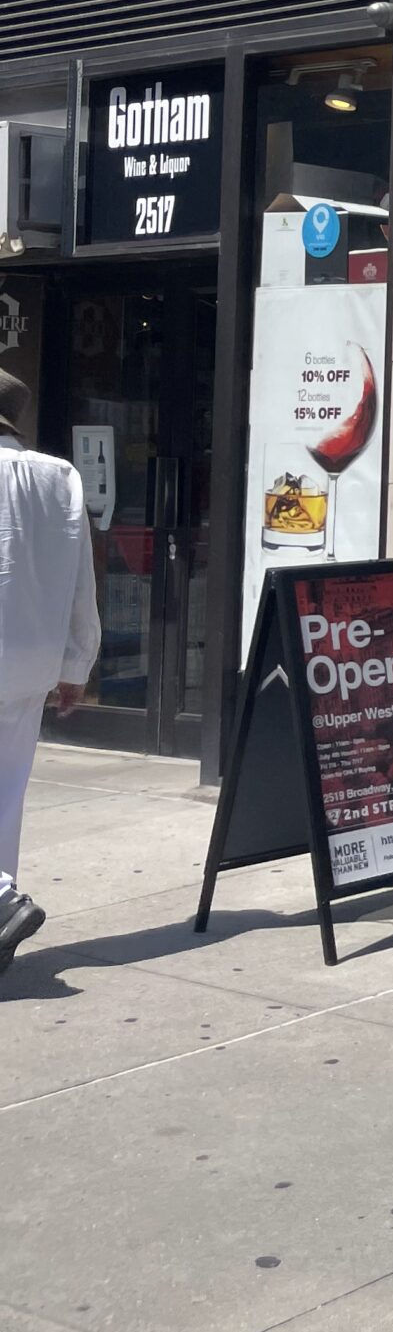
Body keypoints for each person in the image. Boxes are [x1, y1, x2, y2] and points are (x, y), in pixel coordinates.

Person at [0, 369, 101, 978]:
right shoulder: (58, 476)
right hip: (30, 658)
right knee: (6, 795)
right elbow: (80, 575)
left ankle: (2, 903)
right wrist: (76, 663)